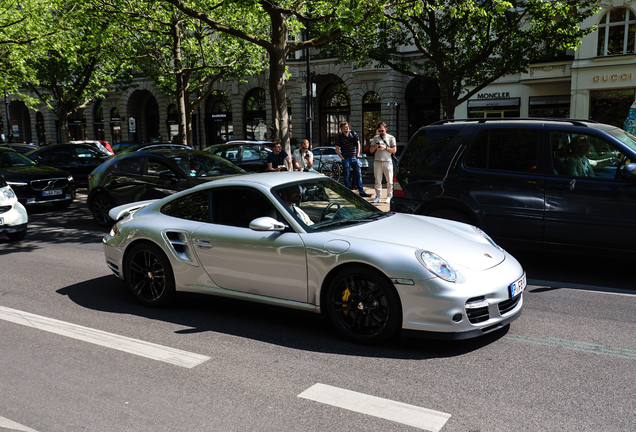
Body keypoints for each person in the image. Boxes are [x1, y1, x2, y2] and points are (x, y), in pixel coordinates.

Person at [334, 121, 371, 197]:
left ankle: (361, 192)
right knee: (346, 176)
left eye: (347, 126)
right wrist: (342, 158)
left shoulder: (353, 134)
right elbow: (337, 149)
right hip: (346, 158)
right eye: (345, 127)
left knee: (358, 175)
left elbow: (358, 144)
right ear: (342, 128)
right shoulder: (340, 137)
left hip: (354, 158)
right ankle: (348, 193)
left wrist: (357, 154)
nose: (347, 128)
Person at [369, 122, 397, 203]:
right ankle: (378, 196)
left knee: (390, 181)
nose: (381, 132)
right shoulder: (375, 138)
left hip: (387, 161)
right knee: (377, 181)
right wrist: (375, 146)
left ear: (386, 129)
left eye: (382, 131)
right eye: (379, 131)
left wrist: (385, 147)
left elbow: (394, 150)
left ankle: (389, 196)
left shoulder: (391, 138)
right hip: (377, 161)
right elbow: (371, 151)